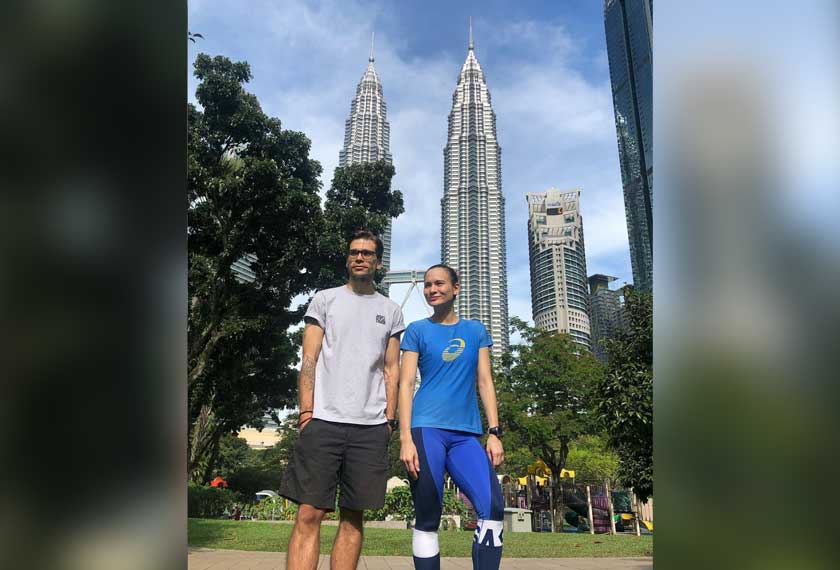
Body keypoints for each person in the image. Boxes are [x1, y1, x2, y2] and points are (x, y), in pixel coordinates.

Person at [279, 229, 405, 570]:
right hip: (323, 421)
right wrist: (307, 412)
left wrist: (389, 419)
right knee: (309, 513)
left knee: (353, 517)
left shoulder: (391, 310)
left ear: (378, 262)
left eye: (366, 253)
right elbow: (309, 359)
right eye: (354, 252)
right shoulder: (325, 299)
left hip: (370, 428)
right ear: (347, 258)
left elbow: (392, 370)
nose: (359, 257)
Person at [398, 264, 505, 570]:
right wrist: (405, 438)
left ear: (455, 288)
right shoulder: (418, 330)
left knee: (492, 508)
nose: (432, 289)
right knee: (429, 513)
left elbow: (485, 381)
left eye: (439, 283)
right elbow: (405, 385)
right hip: (425, 429)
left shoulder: (475, 331)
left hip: (465, 435)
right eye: (428, 285)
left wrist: (494, 432)